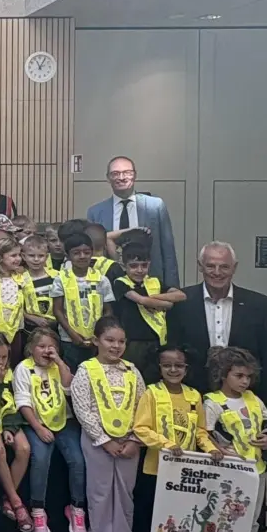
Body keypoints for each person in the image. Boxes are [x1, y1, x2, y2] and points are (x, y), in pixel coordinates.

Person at [166, 240, 267, 532]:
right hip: (196, 402)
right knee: (199, 468)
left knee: (254, 463)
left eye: (224, 266)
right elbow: (171, 353)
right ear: (200, 266)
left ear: (235, 268)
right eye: (210, 266)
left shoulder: (260, 305)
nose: (217, 272)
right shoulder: (181, 301)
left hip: (245, 403)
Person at [70, 317, 146, 532]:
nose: (116, 346)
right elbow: (83, 408)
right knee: (100, 493)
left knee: (125, 494)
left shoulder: (133, 371)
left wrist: (135, 439)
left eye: (121, 341)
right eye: (109, 340)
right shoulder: (86, 370)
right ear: (96, 341)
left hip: (128, 444)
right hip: (97, 442)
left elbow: (142, 407)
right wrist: (104, 440)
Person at [132, 343, 221, 532]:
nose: (173, 370)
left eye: (179, 366)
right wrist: (166, 444)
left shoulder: (193, 395)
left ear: (186, 368)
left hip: (186, 468)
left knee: (181, 512)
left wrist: (211, 448)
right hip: (156, 467)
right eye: (167, 365)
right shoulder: (151, 393)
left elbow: (200, 430)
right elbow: (141, 428)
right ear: (160, 368)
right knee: (155, 511)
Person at [202, 346, 267, 532]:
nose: (245, 381)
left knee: (253, 516)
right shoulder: (212, 402)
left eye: (248, 376)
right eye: (239, 376)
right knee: (227, 515)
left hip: (256, 467)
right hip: (229, 472)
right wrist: (216, 447)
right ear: (224, 374)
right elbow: (207, 432)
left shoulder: (254, 399)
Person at [13, 327, 87, 532]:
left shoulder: (59, 366)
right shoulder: (23, 369)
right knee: (41, 458)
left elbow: (70, 389)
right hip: (36, 422)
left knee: (77, 460)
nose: (47, 351)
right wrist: (38, 427)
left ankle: (77, 508)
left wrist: (61, 363)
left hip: (64, 421)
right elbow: (23, 402)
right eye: (41, 346)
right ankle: (37, 510)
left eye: (51, 347)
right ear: (31, 349)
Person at [86, 156, 180, 287]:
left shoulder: (155, 206)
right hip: (110, 283)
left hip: (151, 281)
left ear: (135, 175)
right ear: (108, 178)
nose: (122, 177)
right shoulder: (95, 212)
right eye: (115, 174)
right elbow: (92, 253)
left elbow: (168, 250)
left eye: (127, 173)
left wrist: (172, 287)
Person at [0, 333, 33, 532]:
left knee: (24, 448)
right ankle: (16, 502)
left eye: (5, 357)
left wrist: (9, 428)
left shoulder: (11, 373)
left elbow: (12, 405)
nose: (1, 362)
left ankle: (7, 499)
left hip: (7, 421)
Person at [112, 242, 182, 375]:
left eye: (144, 265)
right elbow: (142, 300)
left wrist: (155, 297)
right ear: (124, 266)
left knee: (155, 379)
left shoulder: (154, 282)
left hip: (157, 341)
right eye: (133, 266)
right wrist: (167, 303)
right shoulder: (121, 282)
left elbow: (180, 295)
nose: (139, 270)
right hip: (133, 342)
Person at [52, 232, 114, 368]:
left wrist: (98, 334)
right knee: (72, 372)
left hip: (96, 339)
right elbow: (57, 310)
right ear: (68, 255)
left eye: (86, 252)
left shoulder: (101, 279)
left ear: (92, 253)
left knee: (95, 371)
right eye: (76, 253)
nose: (82, 256)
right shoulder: (61, 279)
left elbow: (108, 310)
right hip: (69, 339)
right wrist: (73, 335)